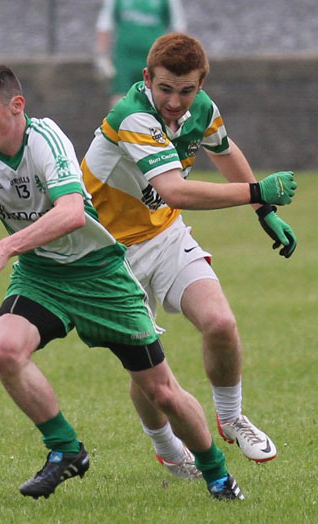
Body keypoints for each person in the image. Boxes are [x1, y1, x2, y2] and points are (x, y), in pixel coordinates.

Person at [0, 64, 248, 500]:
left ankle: (216, 473)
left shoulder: (46, 140)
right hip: (42, 275)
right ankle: (65, 450)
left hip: (99, 275)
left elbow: (72, 213)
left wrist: (5, 248)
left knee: (162, 392)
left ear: (16, 106)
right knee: (5, 349)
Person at [82, 33, 297, 477]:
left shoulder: (201, 108)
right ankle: (168, 449)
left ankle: (232, 417)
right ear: (147, 79)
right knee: (149, 369)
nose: (176, 102)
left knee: (220, 322)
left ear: (200, 84)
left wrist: (264, 212)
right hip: (110, 254)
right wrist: (257, 191)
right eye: (165, 89)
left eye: (187, 90)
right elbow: (175, 190)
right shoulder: (132, 117)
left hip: (164, 236)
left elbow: (224, 148)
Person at [95, 0, 186, 107]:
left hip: (155, 59)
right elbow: (104, 25)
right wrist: (102, 57)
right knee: (120, 101)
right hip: (125, 59)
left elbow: (178, 28)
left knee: (156, 101)